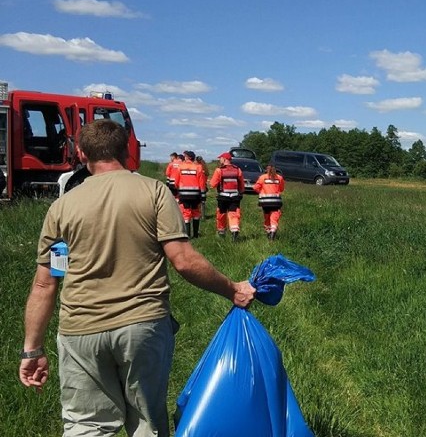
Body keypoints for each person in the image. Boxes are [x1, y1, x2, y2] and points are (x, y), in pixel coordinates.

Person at [19, 120, 256, 436]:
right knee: (147, 423)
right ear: (127, 150)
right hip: (142, 326)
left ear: (80, 153)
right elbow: (184, 261)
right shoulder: (153, 191)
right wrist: (233, 290)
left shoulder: (62, 208)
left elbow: (45, 282)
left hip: (80, 331)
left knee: (85, 426)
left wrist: (32, 350)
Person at [209, 152, 245, 241]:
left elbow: (212, 184)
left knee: (221, 214)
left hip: (223, 197)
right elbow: (241, 185)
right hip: (235, 197)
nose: (219, 160)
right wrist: (240, 192)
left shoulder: (219, 170)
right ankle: (234, 230)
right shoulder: (238, 170)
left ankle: (221, 233)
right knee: (234, 214)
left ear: (225, 159)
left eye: (220, 158)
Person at [174, 150, 204, 238]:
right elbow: (201, 183)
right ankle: (195, 235)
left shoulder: (180, 167)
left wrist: (178, 188)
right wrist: (202, 196)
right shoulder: (198, 167)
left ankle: (187, 235)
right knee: (196, 213)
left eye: (185, 156)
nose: (184, 158)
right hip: (195, 195)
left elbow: (176, 181)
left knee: (186, 213)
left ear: (188, 157)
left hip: (184, 195)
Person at [252, 164, 286, 240]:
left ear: (266, 169)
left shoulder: (262, 177)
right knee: (274, 217)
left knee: (267, 217)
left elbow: (255, 187)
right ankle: (273, 232)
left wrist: (261, 192)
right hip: (276, 202)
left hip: (265, 201)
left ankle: (268, 232)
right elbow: (281, 189)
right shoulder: (279, 178)